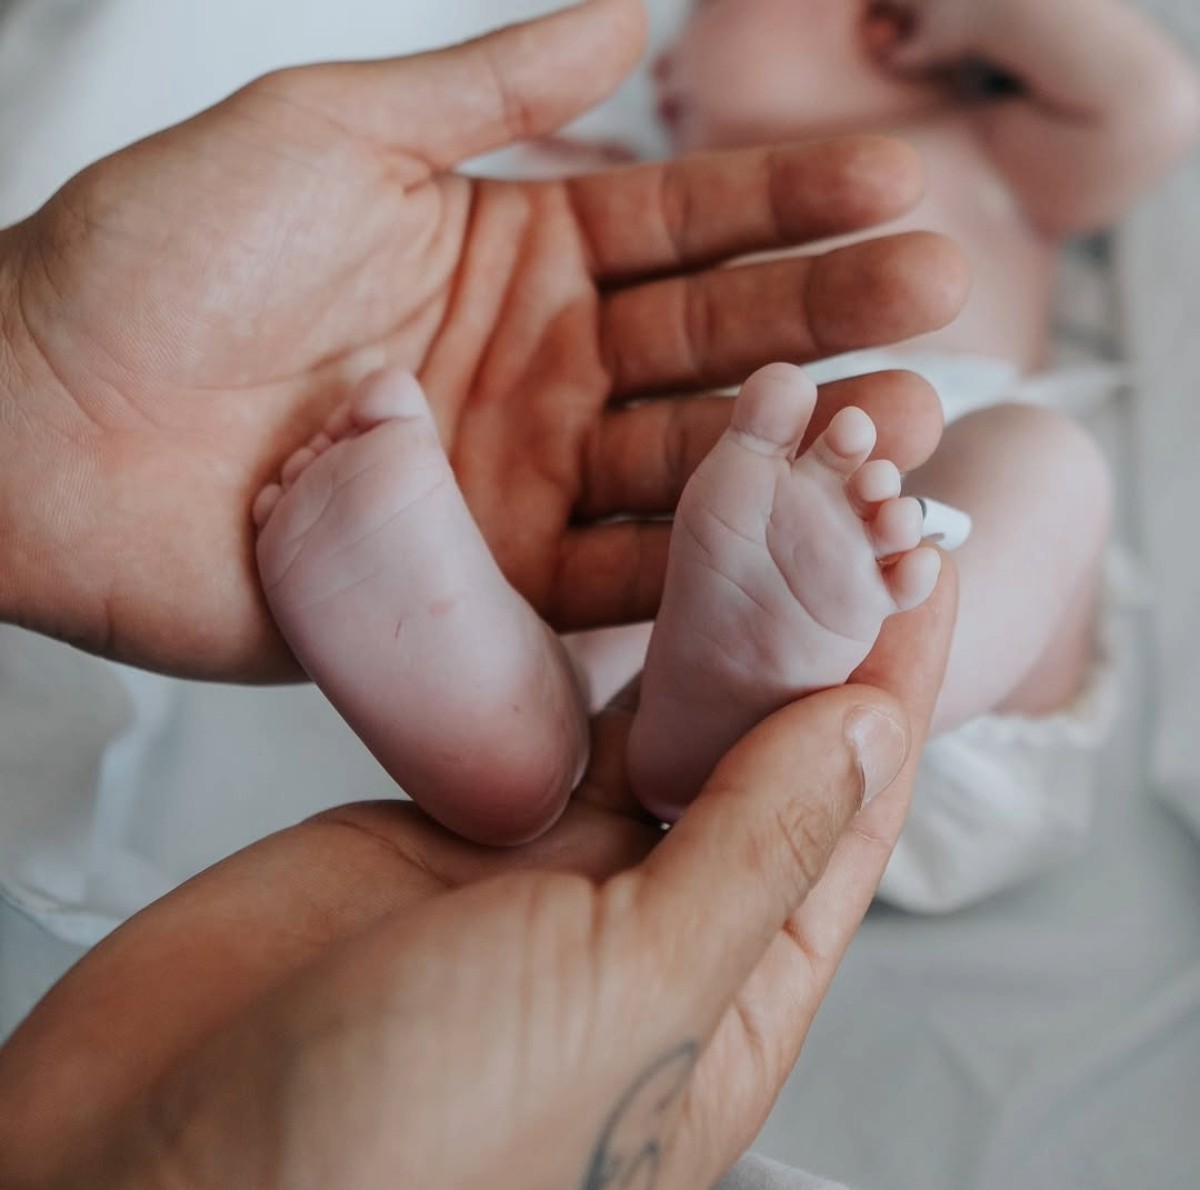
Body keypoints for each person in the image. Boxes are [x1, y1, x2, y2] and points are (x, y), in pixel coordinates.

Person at [0, 1, 969, 1185]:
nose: (666, 65)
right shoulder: (610, 180)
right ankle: (514, 714)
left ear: (890, 30)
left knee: (1036, 477)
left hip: (938, 588)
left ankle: (713, 686)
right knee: (611, 640)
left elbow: (1153, 107)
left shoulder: (1006, 163)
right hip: (716, 570)